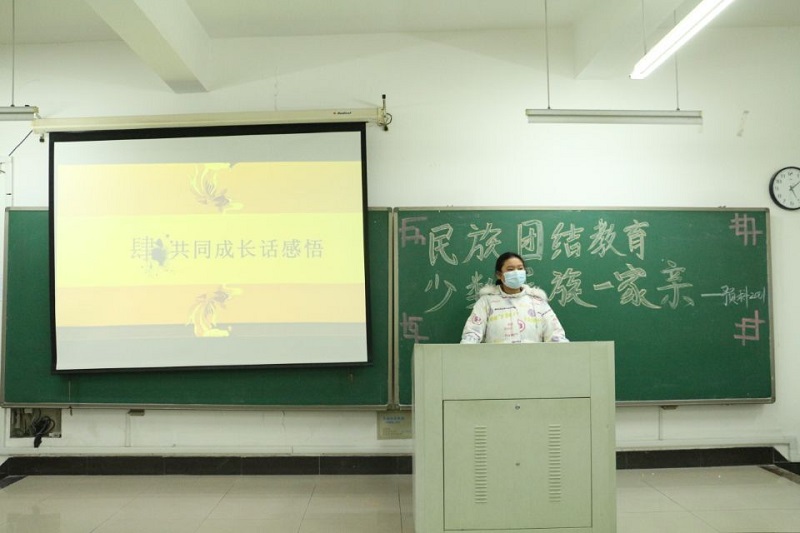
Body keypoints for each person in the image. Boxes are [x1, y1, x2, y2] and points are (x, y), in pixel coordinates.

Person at [460, 251, 568, 344]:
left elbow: (556, 336)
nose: (516, 272)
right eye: (510, 269)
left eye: (520, 268)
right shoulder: (487, 302)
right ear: (499, 274)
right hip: (495, 360)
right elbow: (472, 334)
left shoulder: (537, 301)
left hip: (533, 360)